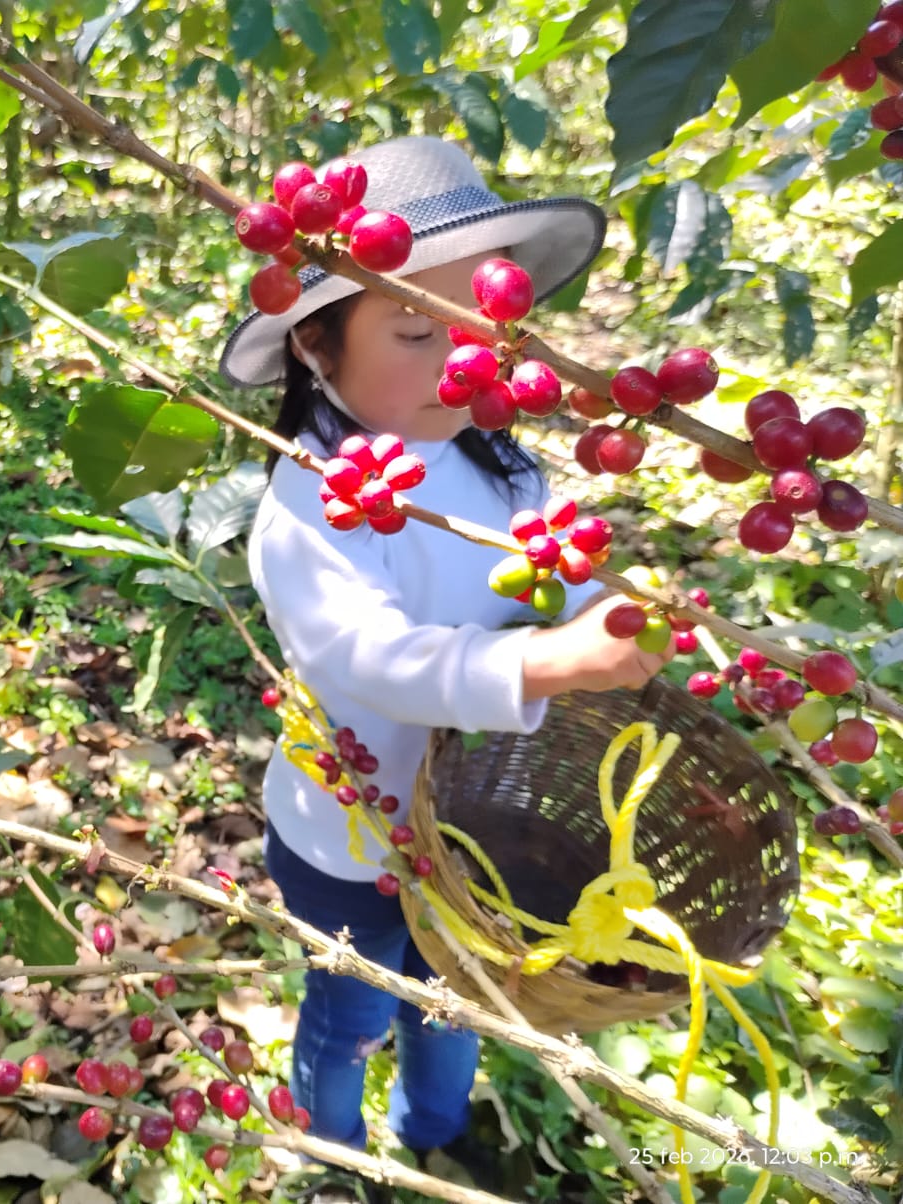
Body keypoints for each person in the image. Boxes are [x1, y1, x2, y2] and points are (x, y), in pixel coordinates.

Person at [225, 137, 674, 1174]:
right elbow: (365, 657)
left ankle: (432, 1132)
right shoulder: (307, 505)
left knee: (459, 1001)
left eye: (483, 329)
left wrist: (609, 606)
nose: (460, 361)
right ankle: (335, 1153)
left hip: (477, 832)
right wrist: (538, 665)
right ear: (313, 348)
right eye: (415, 329)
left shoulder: (499, 456)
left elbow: (558, 560)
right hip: (348, 839)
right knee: (352, 1011)